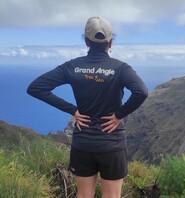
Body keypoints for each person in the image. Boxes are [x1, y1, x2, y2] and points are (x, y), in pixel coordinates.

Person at [27, 16, 148, 198]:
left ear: (86, 42)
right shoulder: (120, 68)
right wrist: (119, 115)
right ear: (110, 43)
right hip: (112, 144)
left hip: (83, 143)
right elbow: (141, 92)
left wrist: (73, 110)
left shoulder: (72, 67)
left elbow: (36, 88)